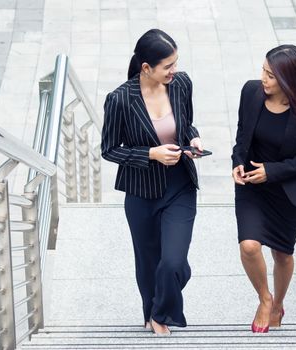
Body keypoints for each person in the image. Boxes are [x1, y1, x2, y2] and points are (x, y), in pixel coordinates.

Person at [101, 29, 203, 335]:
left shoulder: (182, 83)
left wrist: (193, 138)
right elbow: (109, 149)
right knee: (148, 262)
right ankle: (152, 314)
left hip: (180, 185)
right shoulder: (120, 99)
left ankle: (161, 310)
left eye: (176, 63)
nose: (175, 70)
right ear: (146, 68)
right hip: (141, 192)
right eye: (167, 66)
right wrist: (152, 154)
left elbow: (186, 122)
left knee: (173, 262)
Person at [231, 44, 296, 333]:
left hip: (286, 191)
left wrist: (271, 172)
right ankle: (265, 298)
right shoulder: (250, 92)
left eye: (271, 75)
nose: (263, 79)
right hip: (251, 188)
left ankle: (279, 303)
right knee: (249, 246)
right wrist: (236, 161)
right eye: (263, 70)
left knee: (282, 254)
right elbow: (242, 134)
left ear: (289, 80)